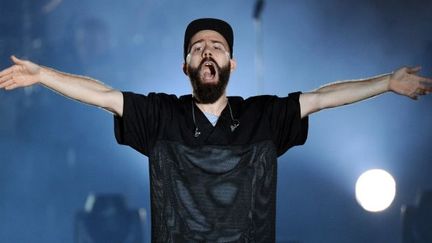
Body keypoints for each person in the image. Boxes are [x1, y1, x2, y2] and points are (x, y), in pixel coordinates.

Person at [0, 18, 431, 242]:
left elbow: (321, 97)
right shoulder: (161, 116)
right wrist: (44, 75)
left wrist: (386, 83)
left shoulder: (263, 117)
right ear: (185, 65)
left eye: (218, 47)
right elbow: (103, 94)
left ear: (231, 64)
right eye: (198, 48)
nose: (208, 52)